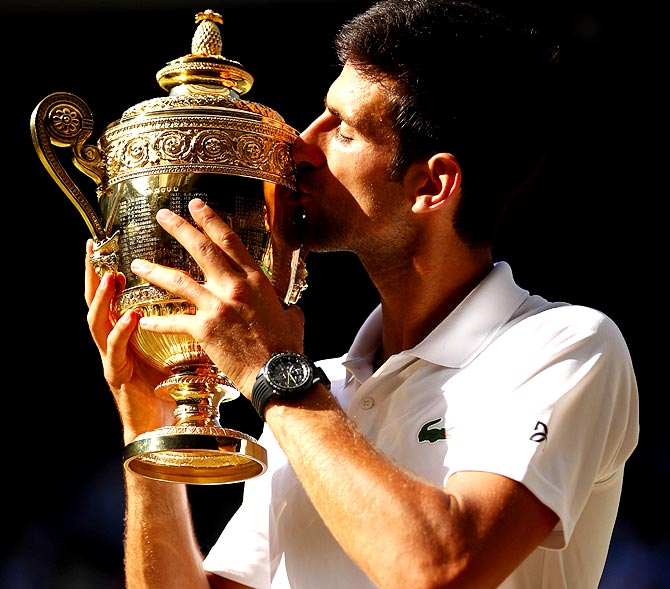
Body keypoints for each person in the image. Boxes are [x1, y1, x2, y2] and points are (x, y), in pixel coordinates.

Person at [84, 1, 639, 587]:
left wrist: (273, 373)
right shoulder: (317, 392)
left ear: (431, 184)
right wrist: (147, 420)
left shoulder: (567, 346)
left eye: (342, 130)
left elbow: (442, 568)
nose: (301, 145)